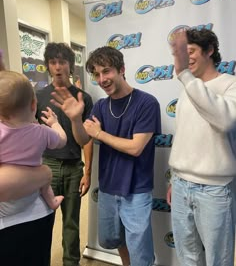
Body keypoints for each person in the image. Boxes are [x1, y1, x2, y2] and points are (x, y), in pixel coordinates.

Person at [50, 46, 161, 266]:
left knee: (141, 251)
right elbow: (83, 139)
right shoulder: (101, 106)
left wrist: (100, 133)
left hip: (136, 189)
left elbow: (136, 147)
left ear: (122, 70)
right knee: (115, 239)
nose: (102, 79)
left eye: (107, 71)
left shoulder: (147, 103)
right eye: (97, 74)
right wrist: (75, 119)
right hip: (108, 188)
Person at [166, 28, 236, 266]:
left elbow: (225, 120)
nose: (186, 58)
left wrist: (185, 75)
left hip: (215, 191)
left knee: (219, 260)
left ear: (210, 51)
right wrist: (174, 179)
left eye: (192, 51)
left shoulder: (230, 85)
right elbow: (184, 136)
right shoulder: (188, 88)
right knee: (188, 259)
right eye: (183, 53)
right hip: (181, 185)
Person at [36, 42, 93, 266]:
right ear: (48, 66)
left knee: (71, 222)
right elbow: (30, 133)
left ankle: (71, 262)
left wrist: (87, 171)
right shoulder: (38, 96)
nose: (58, 67)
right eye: (53, 62)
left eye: (63, 62)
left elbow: (88, 140)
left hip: (72, 167)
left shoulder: (83, 98)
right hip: (46, 166)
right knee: (42, 221)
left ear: (71, 65)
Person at [0, 70, 67, 217]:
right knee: (44, 178)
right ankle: (52, 201)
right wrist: (55, 124)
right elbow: (62, 141)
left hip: (6, 201)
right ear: (33, 104)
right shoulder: (41, 131)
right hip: (31, 194)